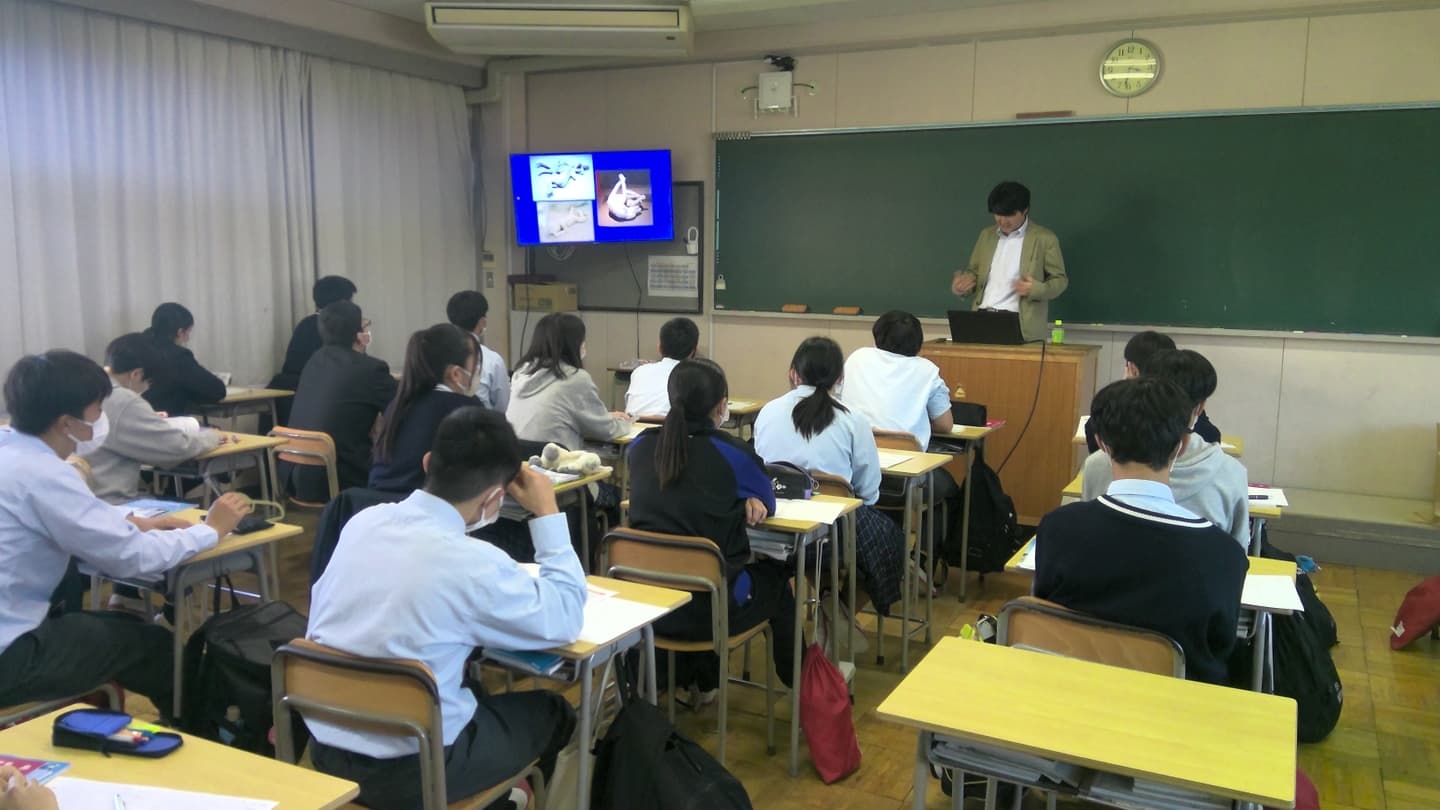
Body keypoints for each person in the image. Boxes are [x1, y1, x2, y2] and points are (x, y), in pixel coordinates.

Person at [306, 407, 583, 810]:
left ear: (427, 463)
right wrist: (547, 512)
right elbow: (566, 617)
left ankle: (501, 798)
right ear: (495, 498)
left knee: (472, 691)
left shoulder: (362, 522)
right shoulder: (473, 563)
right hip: (415, 769)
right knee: (553, 712)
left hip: (325, 745)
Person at [0, 350, 249, 717]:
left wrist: (130, 523)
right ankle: (203, 734)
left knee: (118, 627)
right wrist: (210, 531)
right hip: (11, 657)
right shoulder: (45, 474)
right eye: (96, 409)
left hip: (13, 628)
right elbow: (131, 557)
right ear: (66, 422)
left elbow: (62, 520)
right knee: (154, 647)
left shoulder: (11, 452)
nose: (100, 418)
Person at [1034, 377, 1247, 685]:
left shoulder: (1058, 528)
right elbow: (1221, 646)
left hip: (1071, 690)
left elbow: (1046, 614)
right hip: (1175, 705)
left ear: (1102, 444)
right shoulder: (1223, 554)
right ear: (1180, 446)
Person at [628, 359, 796, 703]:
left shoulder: (639, 447)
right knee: (777, 582)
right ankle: (802, 684)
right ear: (722, 405)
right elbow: (769, 502)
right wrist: (746, 497)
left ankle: (697, 680)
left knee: (699, 571)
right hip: (710, 612)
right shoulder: (733, 453)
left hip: (648, 607)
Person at [754, 337, 904, 618]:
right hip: (835, 534)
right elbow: (869, 491)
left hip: (775, 532)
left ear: (793, 373)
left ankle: (828, 605)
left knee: (818, 551)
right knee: (891, 541)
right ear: (840, 378)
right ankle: (839, 614)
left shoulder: (768, 411)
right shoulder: (853, 419)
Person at [1082, 349, 1250, 550]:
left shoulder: (1099, 463)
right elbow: (1239, 550)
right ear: (1199, 407)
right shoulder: (1230, 472)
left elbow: (1087, 531)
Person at [84, 333, 223, 504]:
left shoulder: (87, 387)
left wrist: (142, 419)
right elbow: (177, 448)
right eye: (148, 382)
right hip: (112, 502)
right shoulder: (123, 399)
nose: (147, 388)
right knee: (191, 512)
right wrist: (212, 436)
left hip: (82, 499)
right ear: (136, 374)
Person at [284, 301, 397, 502]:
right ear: (358, 334)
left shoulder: (314, 360)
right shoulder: (371, 369)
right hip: (339, 476)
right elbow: (404, 407)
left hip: (296, 475)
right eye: (365, 325)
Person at [951, 181, 1068, 342]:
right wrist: (963, 285)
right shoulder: (986, 235)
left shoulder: (1044, 238)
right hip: (981, 317)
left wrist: (1036, 289)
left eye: (1009, 215)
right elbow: (974, 272)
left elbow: (1060, 280)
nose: (1002, 220)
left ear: (1025, 210)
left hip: (1020, 323)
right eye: (998, 214)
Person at [369, 324, 479, 493]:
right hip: (424, 505)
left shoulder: (398, 404)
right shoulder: (467, 409)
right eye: (476, 366)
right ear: (456, 374)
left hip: (374, 502)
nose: (478, 372)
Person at [506, 312, 631, 450]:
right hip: (557, 460)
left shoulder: (521, 373)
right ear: (573, 343)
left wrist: (605, 416)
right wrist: (626, 423)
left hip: (519, 460)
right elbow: (607, 430)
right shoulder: (575, 379)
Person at [1083, 330, 1222, 452]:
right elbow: (1212, 435)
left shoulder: (1107, 422)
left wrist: (1128, 390)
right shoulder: (1193, 413)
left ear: (1133, 370)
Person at [140, 302, 226, 417]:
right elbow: (218, 390)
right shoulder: (178, 356)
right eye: (188, 332)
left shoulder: (134, 345)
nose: (187, 339)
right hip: (164, 421)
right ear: (180, 332)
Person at [279, 275, 358, 383]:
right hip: (318, 387)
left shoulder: (306, 323)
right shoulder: (335, 326)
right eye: (350, 301)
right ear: (342, 302)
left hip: (296, 387)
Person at [446, 290, 511, 412]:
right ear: (482, 322)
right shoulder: (492, 360)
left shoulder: (438, 353)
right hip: (482, 421)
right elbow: (504, 407)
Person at [624, 317, 700, 418]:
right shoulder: (698, 378)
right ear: (694, 351)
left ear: (659, 347)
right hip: (674, 428)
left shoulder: (639, 371)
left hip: (633, 427)